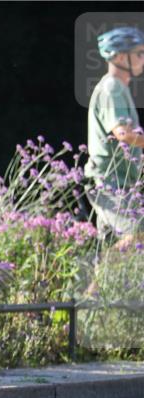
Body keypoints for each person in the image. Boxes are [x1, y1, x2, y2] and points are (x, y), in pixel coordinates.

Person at [86, 26, 144, 245]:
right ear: (120, 56)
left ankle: (102, 279)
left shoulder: (120, 87)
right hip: (109, 184)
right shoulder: (112, 88)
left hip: (120, 183)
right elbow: (123, 134)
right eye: (139, 53)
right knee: (139, 233)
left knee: (110, 258)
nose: (143, 59)